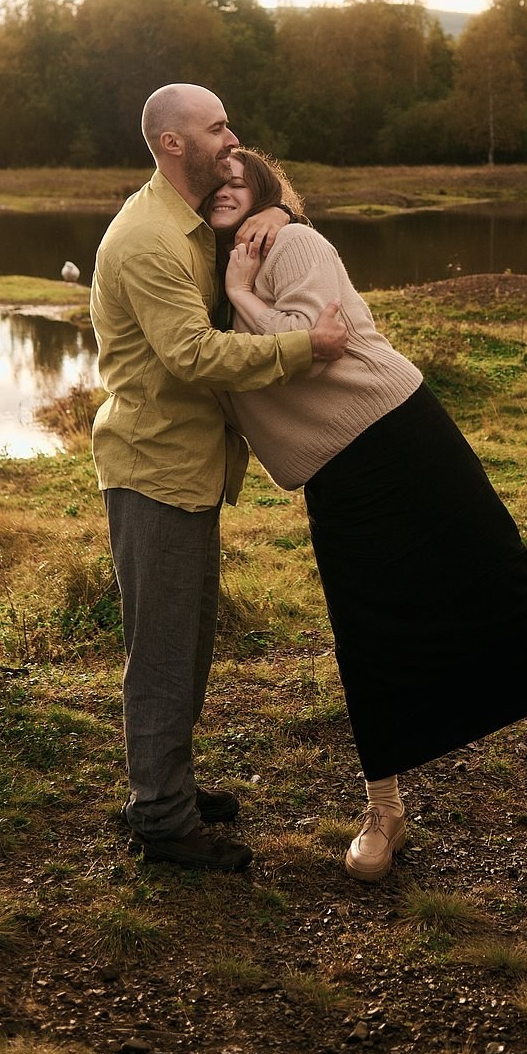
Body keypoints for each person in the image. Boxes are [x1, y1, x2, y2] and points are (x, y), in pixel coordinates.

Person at [207, 149, 527, 882]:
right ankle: (383, 808)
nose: (226, 190)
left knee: (496, 575)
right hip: (333, 471)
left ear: (263, 190)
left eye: (241, 181)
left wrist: (243, 284)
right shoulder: (211, 266)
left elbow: (311, 347)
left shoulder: (291, 243)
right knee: (365, 633)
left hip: (396, 432)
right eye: (214, 182)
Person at [89, 85, 349, 872]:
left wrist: (280, 216)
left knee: (189, 640)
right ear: (173, 144)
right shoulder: (145, 240)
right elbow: (193, 355)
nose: (231, 138)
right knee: (162, 651)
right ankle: (163, 822)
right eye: (216, 128)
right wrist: (307, 348)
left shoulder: (188, 222)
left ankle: (169, 783)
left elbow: (248, 230)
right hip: (154, 467)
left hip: (191, 466)